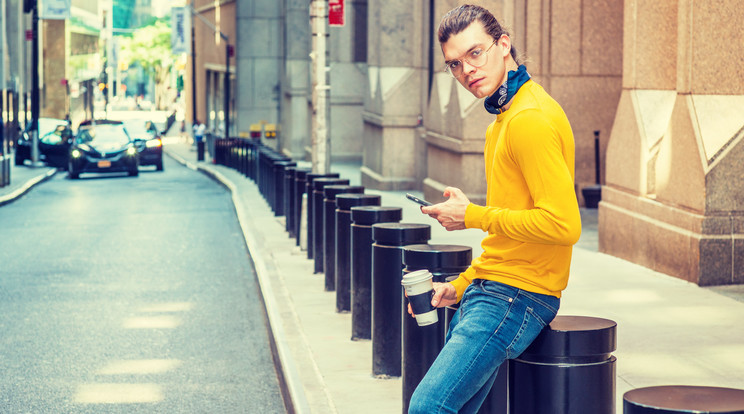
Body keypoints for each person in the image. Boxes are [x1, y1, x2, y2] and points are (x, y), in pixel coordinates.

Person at [407, 5, 581, 413]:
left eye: (475, 53)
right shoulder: (503, 121)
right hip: (493, 290)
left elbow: (564, 224)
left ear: (504, 45)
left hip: (516, 297)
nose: (467, 70)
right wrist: (462, 285)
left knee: (427, 406)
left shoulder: (529, 120)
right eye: (454, 63)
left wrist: (471, 215)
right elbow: (508, 239)